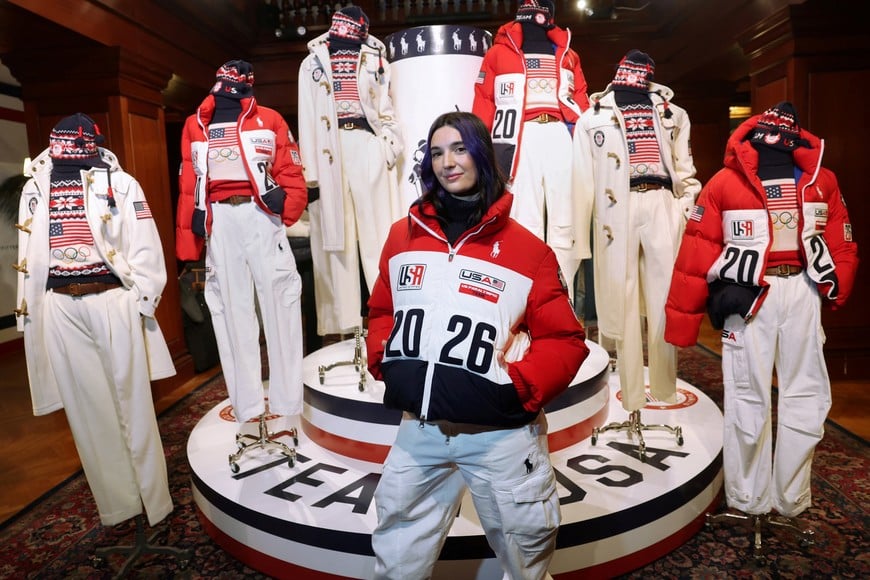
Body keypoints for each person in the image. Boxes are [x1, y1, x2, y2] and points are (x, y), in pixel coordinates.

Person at [366, 111, 589, 579]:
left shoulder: (529, 250)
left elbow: (565, 339)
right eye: (437, 152)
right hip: (419, 429)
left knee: (525, 558)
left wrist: (517, 390)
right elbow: (383, 310)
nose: (447, 162)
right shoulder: (402, 236)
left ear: (482, 155)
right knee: (397, 558)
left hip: (499, 436)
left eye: (459, 148)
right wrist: (387, 363)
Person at [664, 102, 858, 518]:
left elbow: (841, 237)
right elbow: (696, 250)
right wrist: (682, 323)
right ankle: (748, 498)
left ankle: (791, 496)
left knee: (807, 394)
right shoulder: (725, 182)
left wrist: (837, 284)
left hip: (804, 291)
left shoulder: (821, 179)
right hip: (748, 295)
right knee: (745, 393)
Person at [15, 113, 175, 527]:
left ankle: (156, 505)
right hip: (59, 305)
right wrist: (33, 313)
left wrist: (139, 303)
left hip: (112, 299)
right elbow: (29, 254)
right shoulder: (35, 186)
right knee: (87, 411)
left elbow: (146, 246)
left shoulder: (121, 183)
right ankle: (120, 507)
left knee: (133, 404)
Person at [176, 60, 308, 424]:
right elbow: (188, 184)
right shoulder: (195, 124)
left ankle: (286, 406)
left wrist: (286, 208)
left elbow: (290, 168)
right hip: (220, 219)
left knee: (281, 303)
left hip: (261, 214)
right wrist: (190, 238)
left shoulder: (270, 118)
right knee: (232, 312)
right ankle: (248, 408)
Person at [573, 49, 701, 413]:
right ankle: (631, 397)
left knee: (664, 299)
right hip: (617, 208)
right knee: (622, 296)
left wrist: (683, 211)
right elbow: (582, 182)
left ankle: (664, 388)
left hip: (662, 202)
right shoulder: (592, 119)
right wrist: (581, 240)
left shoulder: (674, 114)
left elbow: (686, 171)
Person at [298, 6, 403, 337]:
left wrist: (388, 147)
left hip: (367, 143)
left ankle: (389, 318)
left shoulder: (376, 56)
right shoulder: (312, 61)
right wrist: (311, 172)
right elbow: (307, 116)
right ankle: (346, 330)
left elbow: (387, 108)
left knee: (379, 235)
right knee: (336, 238)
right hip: (330, 150)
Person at [472, 0, 590, 290]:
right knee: (525, 218)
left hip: (561, 133)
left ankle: (562, 295)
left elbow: (581, 98)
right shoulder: (498, 53)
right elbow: (485, 100)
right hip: (519, 135)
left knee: (566, 218)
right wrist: (478, 148)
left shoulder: (568, 54)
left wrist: (586, 140)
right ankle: (527, 294)